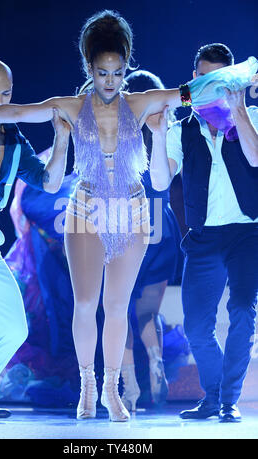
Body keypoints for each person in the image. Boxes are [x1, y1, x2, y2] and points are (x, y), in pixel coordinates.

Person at [0, 13, 253, 422]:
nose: (110, 81)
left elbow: (189, 92)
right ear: (90, 69)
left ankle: (112, 391)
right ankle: (87, 388)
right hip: (85, 209)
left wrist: (236, 78)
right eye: (102, 73)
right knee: (87, 305)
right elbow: (21, 113)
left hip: (132, 210)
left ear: (127, 68)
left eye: (118, 72)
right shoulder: (69, 105)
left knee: (117, 307)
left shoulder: (141, 103)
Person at [149, 43, 258, 423]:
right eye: (204, 78)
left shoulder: (252, 116)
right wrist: (159, 132)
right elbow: (162, 180)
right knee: (197, 327)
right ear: (195, 79)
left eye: (219, 79)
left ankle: (228, 400)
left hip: (247, 232)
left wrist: (239, 109)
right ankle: (213, 397)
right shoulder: (183, 129)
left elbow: (256, 157)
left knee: (243, 312)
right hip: (204, 235)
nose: (210, 85)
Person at [0, 59, 70, 421]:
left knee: (14, 327)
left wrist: (62, 137)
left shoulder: (16, 142)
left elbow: (51, 183)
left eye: (6, 93)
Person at [120, 70, 183, 410]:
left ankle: (129, 386)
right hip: (163, 227)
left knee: (117, 311)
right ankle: (155, 358)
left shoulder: (119, 131)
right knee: (148, 312)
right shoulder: (169, 129)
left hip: (127, 226)